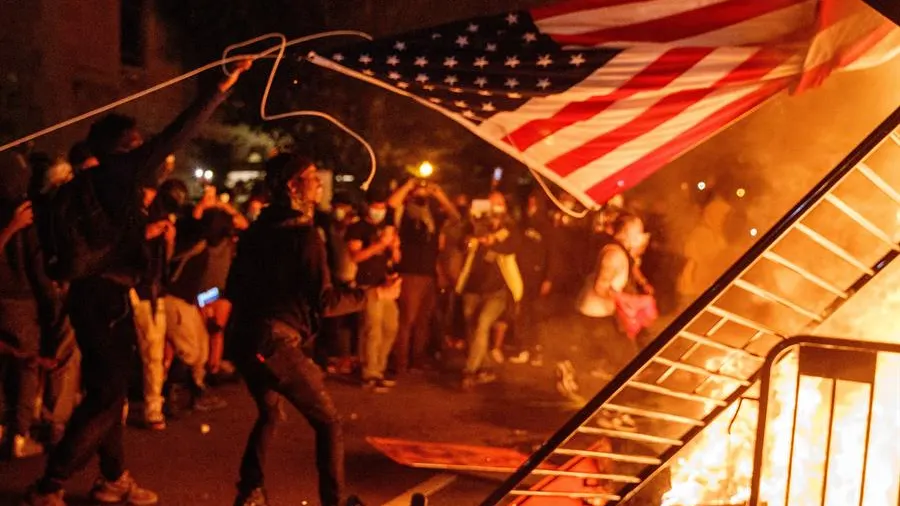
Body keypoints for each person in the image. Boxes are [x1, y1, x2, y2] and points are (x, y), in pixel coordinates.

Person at [24, 59, 251, 506]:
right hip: (107, 298)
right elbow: (178, 131)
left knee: (109, 392)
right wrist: (220, 87)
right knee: (108, 392)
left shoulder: (79, 185)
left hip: (87, 296)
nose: (147, 150)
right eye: (137, 144)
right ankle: (49, 484)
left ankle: (113, 476)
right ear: (123, 148)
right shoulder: (120, 174)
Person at [226, 153, 401, 506]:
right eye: (311, 177)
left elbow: (233, 287)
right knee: (330, 422)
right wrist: (375, 294)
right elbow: (325, 301)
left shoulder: (257, 232)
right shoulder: (305, 237)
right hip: (275, 343)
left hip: (245, 338)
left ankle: (250, 490)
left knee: (270, 412)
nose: (319, 183)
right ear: (293, 186)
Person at [555, 213, 651, 428]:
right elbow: (600, 287)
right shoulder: (614, 254)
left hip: (600, 315)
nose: (642, 236)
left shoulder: (618, 250)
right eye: (638, 231)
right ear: (626, 232)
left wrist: (640, 285)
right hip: (595, 315)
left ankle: (574, 371)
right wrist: (628, 301)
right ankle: (609, 409)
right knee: (628, 364)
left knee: (619, 362)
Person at [387, 179, 460, 374]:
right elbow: (391, 204)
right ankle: (400, 362)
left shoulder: (433, 216)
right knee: (406, 320)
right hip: (409, 271)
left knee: (423, 320)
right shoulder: (404, 214)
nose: (422, 193)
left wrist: (438, 193)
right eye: (419, 191)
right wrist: (409, 185)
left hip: (428, 273)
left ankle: (417, 360)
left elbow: (455, 217)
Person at [455, 192, 522, 390]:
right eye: (491, 203)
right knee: (472, 328)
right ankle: (485, 367)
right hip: (472, 287)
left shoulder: (510, 229)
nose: (495, 207)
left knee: (482, 323)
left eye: (499, 203)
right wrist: (473, 235)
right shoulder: (474, 225)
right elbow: (463, 244)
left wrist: (490, 238)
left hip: (497, 290)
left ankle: (469, 371)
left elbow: (510, 245)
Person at [346, 190, 401, 392]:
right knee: (373, 329)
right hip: (368, 285)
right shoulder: (357, 228)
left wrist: (394, 247)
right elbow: (356, 257)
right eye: (375, 207)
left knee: (391, 327)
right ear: (367, 206)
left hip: (386, 284)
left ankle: (379, 367)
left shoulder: (385, 229)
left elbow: (395, 259)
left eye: (382, 207)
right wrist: (380, 244)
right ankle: (369, 373)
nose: (379, 211)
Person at [130, 185, 175, 430]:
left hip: (153, 292)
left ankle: (153, 407)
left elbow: (165, 263)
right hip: (131, 290)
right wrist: (143, 234)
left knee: (154, 354)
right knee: (126, 353)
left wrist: (169, 240)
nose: (149, 195)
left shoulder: (159, 215)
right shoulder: (125, 214)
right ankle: (121, 407)